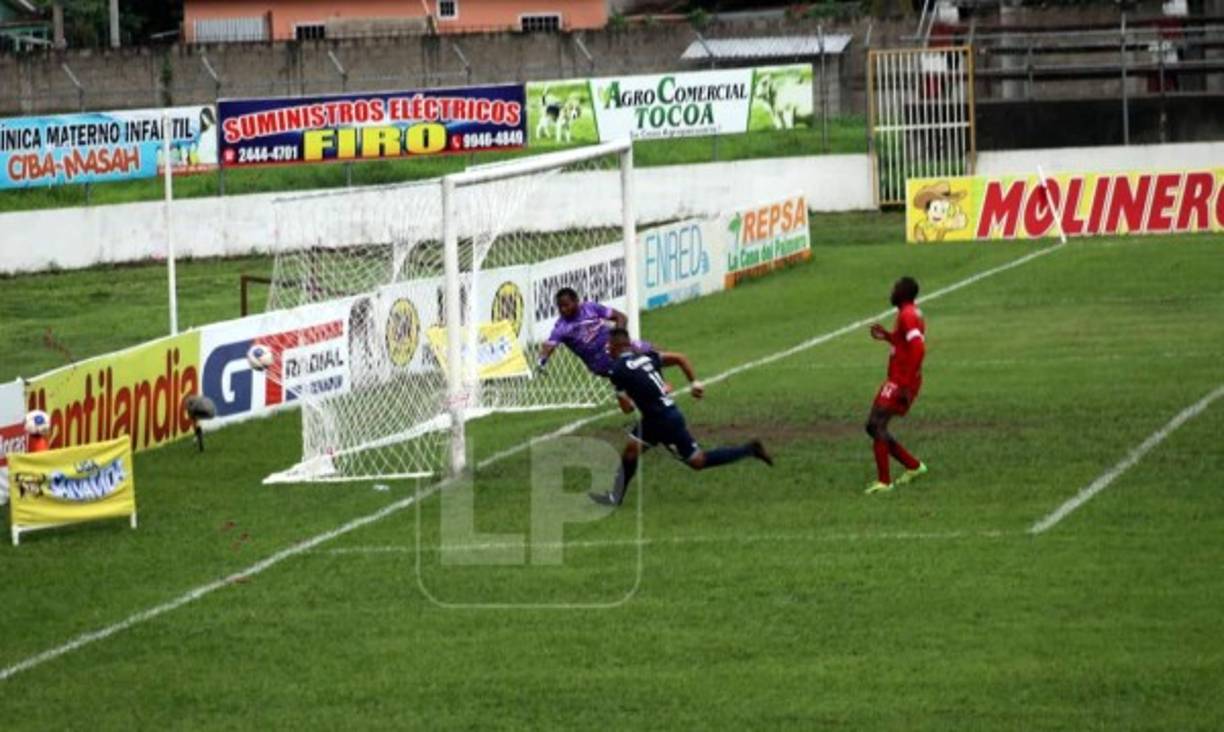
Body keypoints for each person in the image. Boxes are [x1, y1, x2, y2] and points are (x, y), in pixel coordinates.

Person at [590, 328, 772, 507]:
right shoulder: (647, 356)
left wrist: (629, 396)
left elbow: (627, 409)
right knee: (631, 451)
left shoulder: (617, 371)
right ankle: (615, 497)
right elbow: (680, 358)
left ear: (615, 347)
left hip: (663, 422)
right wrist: (694, 383)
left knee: (698, 461)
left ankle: (750, 450)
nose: (607, 350)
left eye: (608, 346)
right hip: (660, 416)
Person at [865, 276, 929, 494]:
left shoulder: (908, 315)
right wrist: (888, 337)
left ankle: (885, 482)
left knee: (875, 424)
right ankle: (913, 466)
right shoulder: (910, 313)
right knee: (875, 426)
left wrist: (905, 385)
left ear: (902, 292)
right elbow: (905, 344)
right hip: (900, 379)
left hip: (901, 381)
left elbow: (918, 348)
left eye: (894, 288)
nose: (891, 291)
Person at [537, 288, 650, 377]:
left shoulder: (590, 308)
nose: (563, 309)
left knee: (655, 353)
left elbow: (620, 317)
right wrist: (541, 361)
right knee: (637, 369)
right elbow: (549, 346)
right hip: (599, 361)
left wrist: (618, 340)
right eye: (560, 306)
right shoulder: (561, 327)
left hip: (616, 349)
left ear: (576, 301)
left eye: (566, 305)